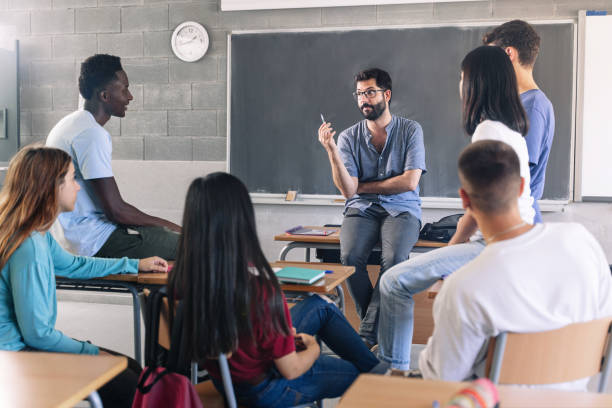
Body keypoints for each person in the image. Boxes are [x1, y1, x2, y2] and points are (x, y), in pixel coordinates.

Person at [378, 45, 534, 372]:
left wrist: (450, 249)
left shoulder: (488, 131)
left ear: (477, 83)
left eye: (462, 78)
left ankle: (391, 373)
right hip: (517, 241)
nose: (460, 85)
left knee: (392, 281)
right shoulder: (512, 129)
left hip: (492, 244)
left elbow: (478, 208)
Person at [167, 172, 379, 407]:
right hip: (267, 388)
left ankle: (380, 370)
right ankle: (381, 377)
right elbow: (291, 369)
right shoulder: (259, 291)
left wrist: (279, 333)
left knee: (320, 306)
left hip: (226, 378)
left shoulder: (182, 278)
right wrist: (312, 348)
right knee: (364, 376)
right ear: (241, 219)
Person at [419, 139, 612, 391]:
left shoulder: (463, 287)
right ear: (522, 187)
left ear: (464, 200)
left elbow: (442, 380)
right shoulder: (582, 241)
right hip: (577, 399)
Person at [0, 146, 168, 407]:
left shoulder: (35, 234)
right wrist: (91, 351)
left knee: (130, 370)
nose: (78, 187)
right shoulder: (28, 246)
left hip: (21, 350)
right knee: (126, 380)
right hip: (16, 357)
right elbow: (38, 335)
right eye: (71, 178)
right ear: (50, 187)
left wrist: (134, 264)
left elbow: (75, 265)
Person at [317, 68, 426, 347]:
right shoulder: (349, 138)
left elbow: (410, 181)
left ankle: (366, 335)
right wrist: (332, 152)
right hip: (361, 209)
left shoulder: (410, 130)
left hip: (402, 208)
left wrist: (362, 186)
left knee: (395, 259)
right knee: (350, 257)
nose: (363, 99)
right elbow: (347, 190)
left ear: (386, 95)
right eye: (359, 94)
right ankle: (374, 327)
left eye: (370, 92)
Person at [46, 54, 180, 260]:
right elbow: (117, 212)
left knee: (166, 236)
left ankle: (159, 293)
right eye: (124, 89)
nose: (130, 97)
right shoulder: (91, 134)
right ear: (105, 96)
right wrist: (177, 229)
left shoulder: (70, 123)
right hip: (92, 241)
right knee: (194, 245)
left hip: (70, 236)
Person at [483, 19, 555, 223]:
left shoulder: (532, 106)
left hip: (518, 219)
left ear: (508, 54)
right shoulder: (519, 103)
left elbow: (516, 175)